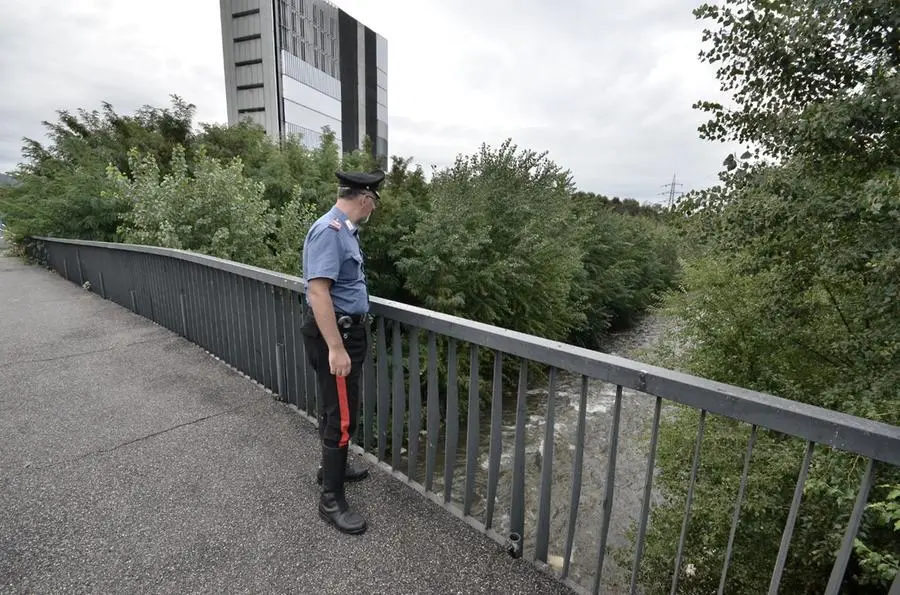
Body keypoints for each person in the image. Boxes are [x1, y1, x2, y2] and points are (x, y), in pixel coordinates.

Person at [300, 169, 384, 535]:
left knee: (335, 408)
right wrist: (336, 348)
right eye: (374, 202)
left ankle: (333, 469)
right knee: (342, 415)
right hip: (339, 336)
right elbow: (318, 291)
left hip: (343, 333)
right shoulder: (331, 232)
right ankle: (331, 500)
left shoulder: (342, 229)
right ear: (365, 199)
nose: (373, 208)